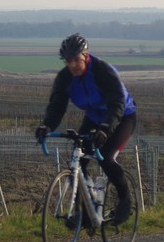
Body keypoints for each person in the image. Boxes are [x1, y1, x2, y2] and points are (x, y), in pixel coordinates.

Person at [35, 34, 137, 223]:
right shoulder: (65, 77)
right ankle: (87, 209)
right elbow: (57, 105)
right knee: (78, 161)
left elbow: (117, 102)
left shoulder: (102, 71)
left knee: (106, 157)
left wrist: (106, 128)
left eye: (76, 59)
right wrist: (47, 125)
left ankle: (125, 199)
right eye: (68, 61)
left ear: (86, 55)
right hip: (94, 118)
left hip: (122, 117)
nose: (73, 65)